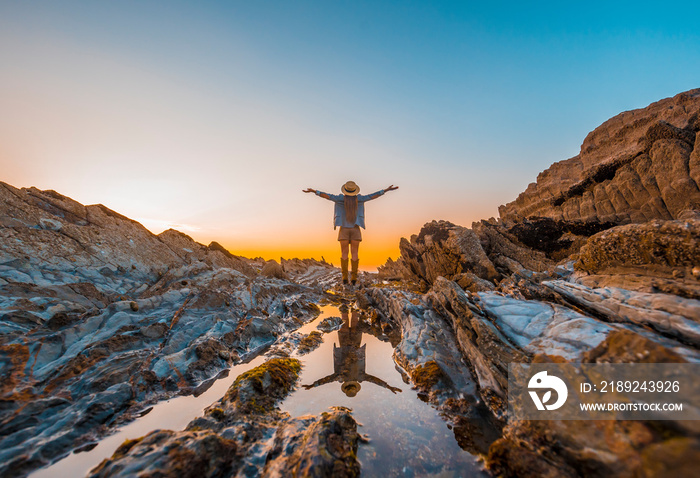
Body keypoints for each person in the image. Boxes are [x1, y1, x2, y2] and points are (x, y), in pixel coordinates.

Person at [303, 180, 398, 285]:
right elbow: (372, 196)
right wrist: (386, 190)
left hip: (343, 229)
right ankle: (353, 278)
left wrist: (314, 191)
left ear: (345, 190)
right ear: (355, 191)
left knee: (344, 253)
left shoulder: (340, 199)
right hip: (355, 229)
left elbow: (327, 196)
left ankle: (344, 278)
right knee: (355, 253)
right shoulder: (360, 199)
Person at [302, 306, 401, 396]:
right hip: (346, 343)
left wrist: (388, 387)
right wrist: (313, 385)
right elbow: (327, 380)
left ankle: (352, 300)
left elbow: (374, 380)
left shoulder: (359, 377)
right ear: (346, 385)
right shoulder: (341, 377)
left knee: (353, 319)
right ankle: (348, 300)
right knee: (346, 318)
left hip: (354, 344)